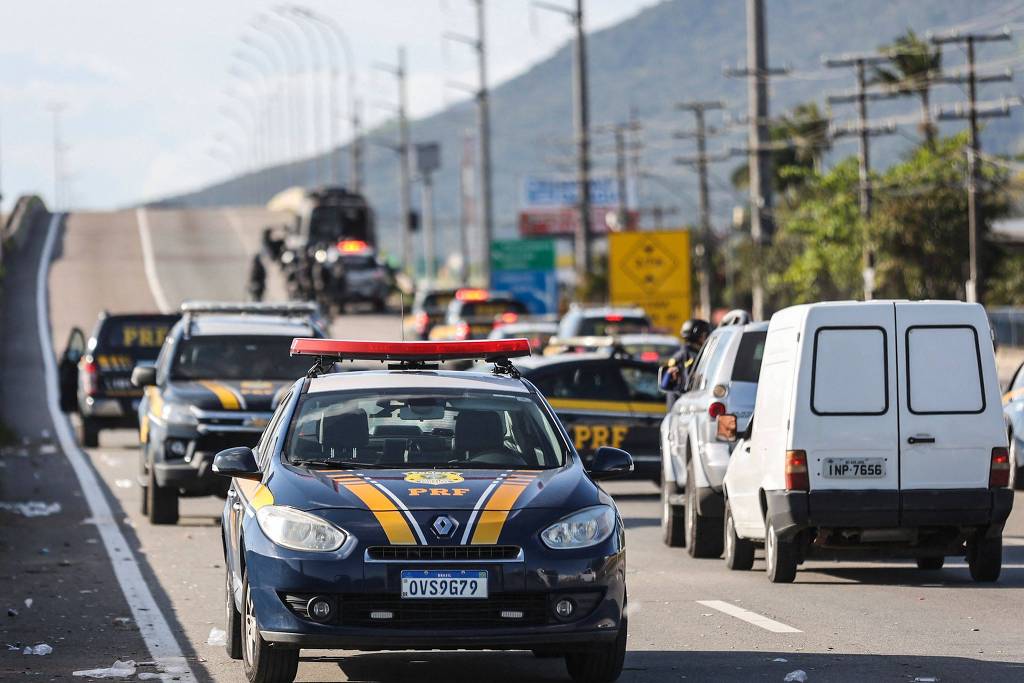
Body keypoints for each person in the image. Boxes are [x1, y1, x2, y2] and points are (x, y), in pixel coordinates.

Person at [660, 318, 711, 408]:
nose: (707, 339)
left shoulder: (678, 355)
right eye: (705, 335)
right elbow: (690, 384)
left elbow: (664, 384)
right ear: (698, 336)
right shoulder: (693, 357)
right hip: (687, 408)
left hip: (675, 406)